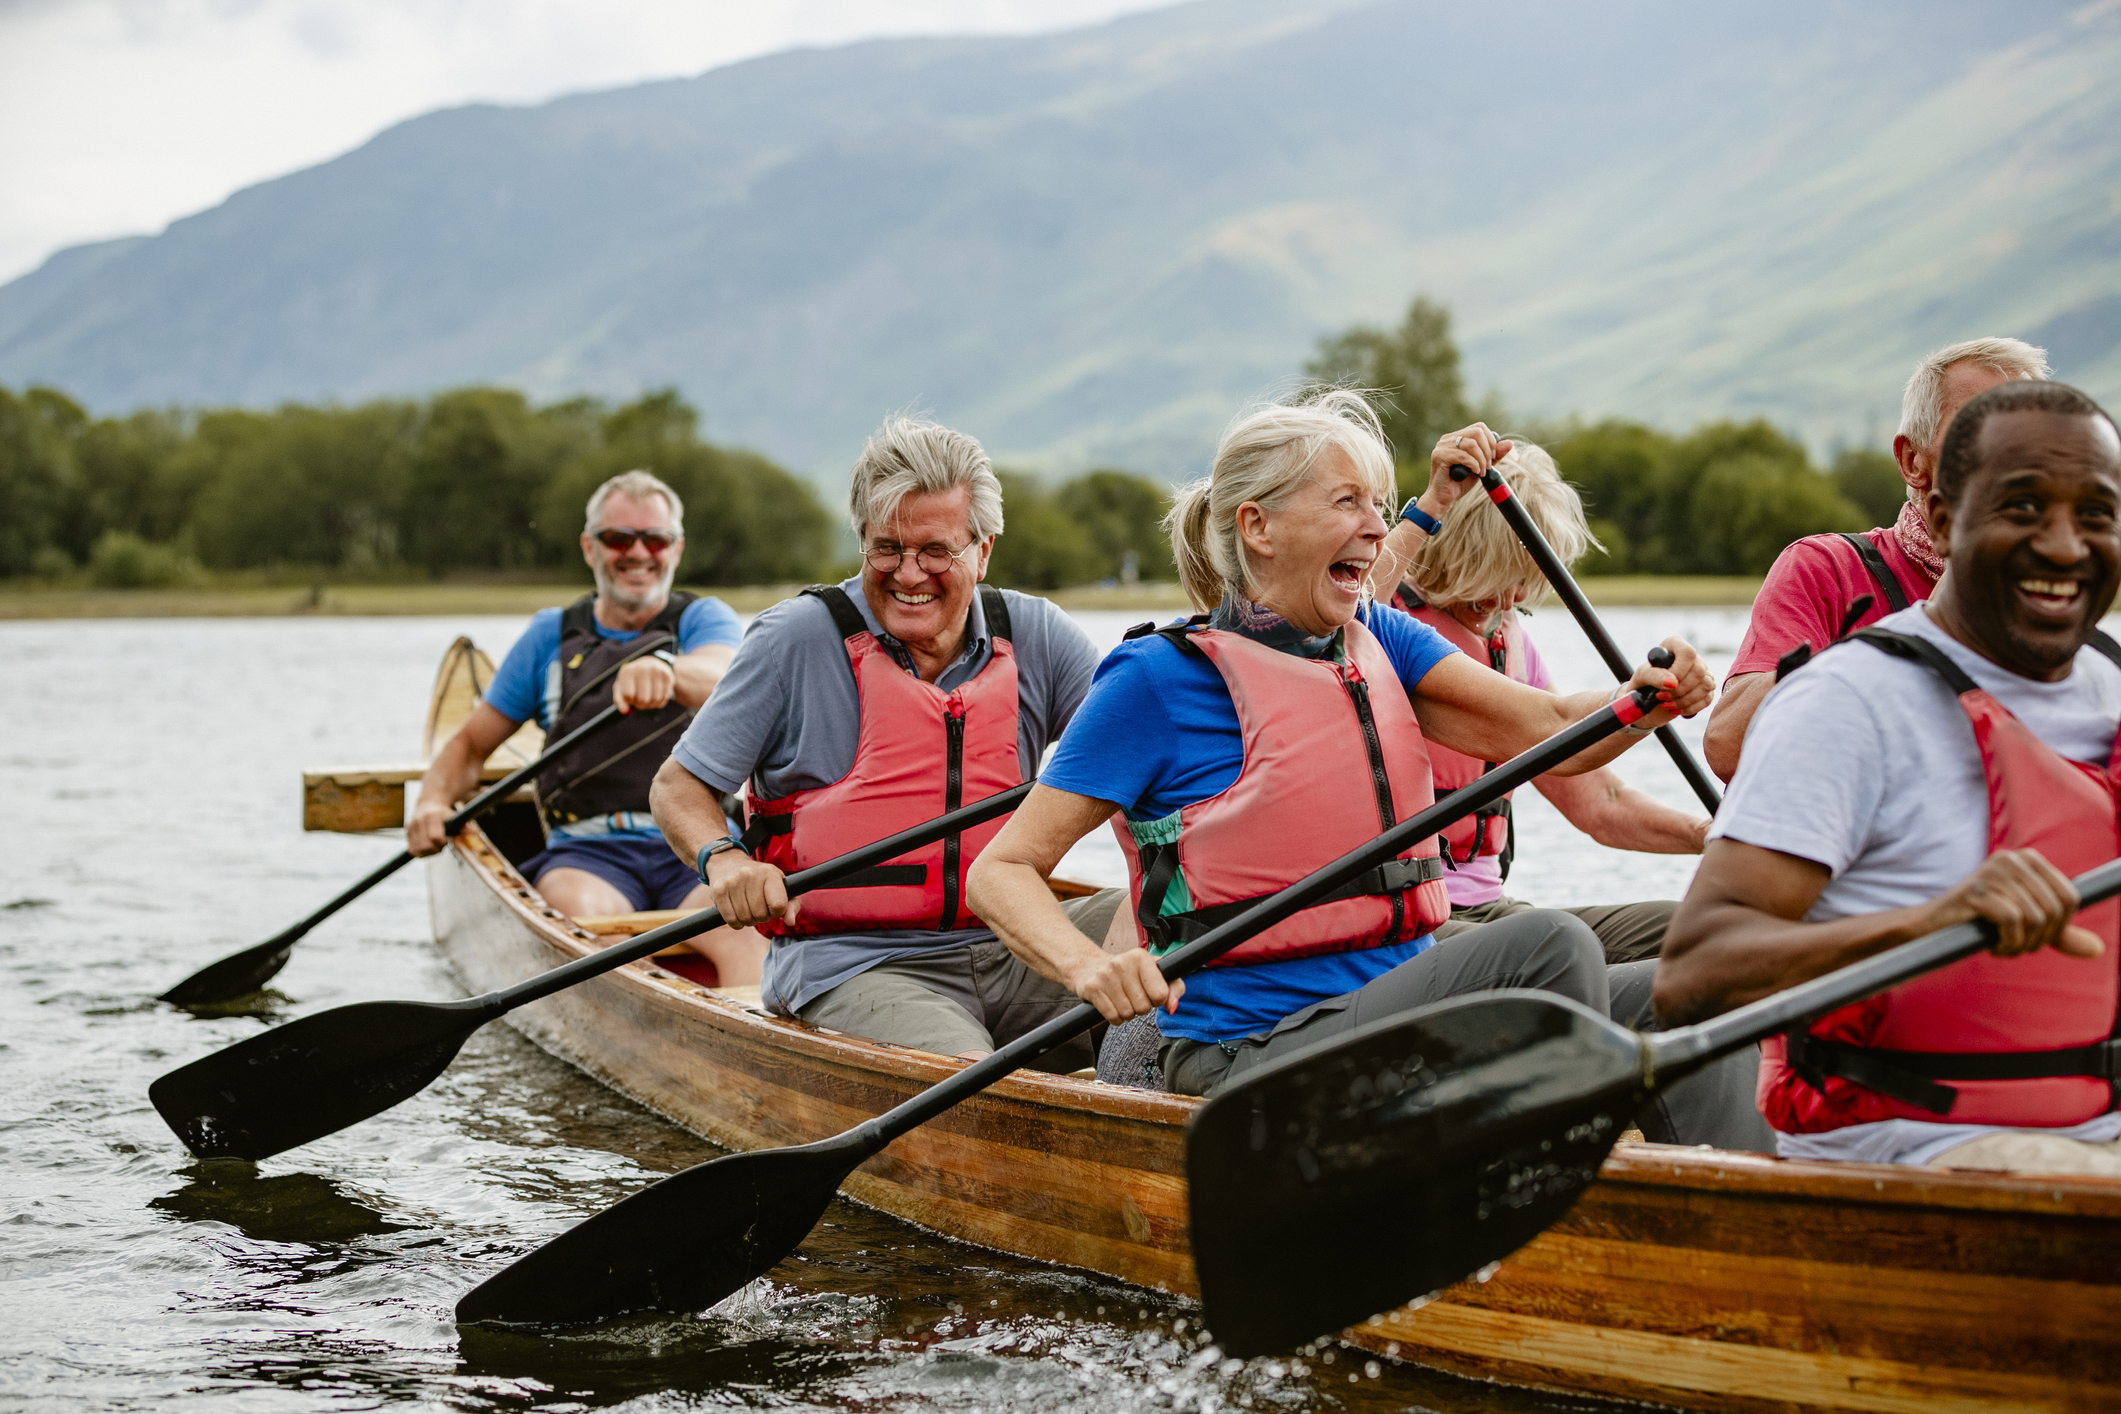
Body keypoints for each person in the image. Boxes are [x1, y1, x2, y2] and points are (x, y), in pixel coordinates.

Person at [965, 392, 1768, 1150]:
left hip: (1394, 1008)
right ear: (1258, 527)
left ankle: (1735, 1214)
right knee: (1549, 948)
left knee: (1703, 980)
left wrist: (1643, 702)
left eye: (1379, 508)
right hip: (1248, 1053)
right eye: (1347, 503)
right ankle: (1516, 1191)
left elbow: (1551, 729)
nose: (1378, 530)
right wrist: (1091, 967)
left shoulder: (1382, 637)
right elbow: (1002, 871)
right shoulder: (1153, 680)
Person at [1657, 380, 2121, 1175]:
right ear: (1942, 519)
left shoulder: (2113, 685)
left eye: (2095, 515)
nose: (2063, 545)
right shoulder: (1845, 703)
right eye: (2021, 508)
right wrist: (1926, 923)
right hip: (1908, 1147)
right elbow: (1690, 975)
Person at [650, 416, 1122, 1069]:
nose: (908, 574)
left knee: (1190, 929)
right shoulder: (793, 640)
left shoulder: (1038, 633)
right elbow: (679, 787)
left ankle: (1161, 1103)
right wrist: (725, 862)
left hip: (1017, 944)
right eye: (885, 549)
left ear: (982, 550)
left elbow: (1139, 759)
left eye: (935, 551)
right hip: (856, 964)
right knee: (961, 1069)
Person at [408, 468, 767, 986]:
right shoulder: (547, 637)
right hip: (587, 855)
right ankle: (658, 1021)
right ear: (589, 548)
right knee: (582, 920)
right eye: (619, 538)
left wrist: (669, 671)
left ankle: (751, 1032)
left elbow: (724, 679)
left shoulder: (702, 619)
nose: (638, 552)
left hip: (699, 844)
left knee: (749, 927)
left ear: (676, 548)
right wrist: (431, 802)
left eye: (655, 539)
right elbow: (468, 747)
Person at [1374, 435, 1710, 964]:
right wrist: (1433, 503)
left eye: (1525, 583)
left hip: (1490, 911)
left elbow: (1603, 803)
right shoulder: (1381, 628)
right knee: (1553, 944)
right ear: (1459, 553)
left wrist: (1712, 834)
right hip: (1408, 919)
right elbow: (1342, 614)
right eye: (1498, 580)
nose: (1512, 600)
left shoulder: (1512, 644)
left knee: (1694, 932)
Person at [1704, 337, 2050, 780]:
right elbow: (1728, 748)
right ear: (1912, 460)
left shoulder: (2057, 592)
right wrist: (1923, 630)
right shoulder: (1825, 569)